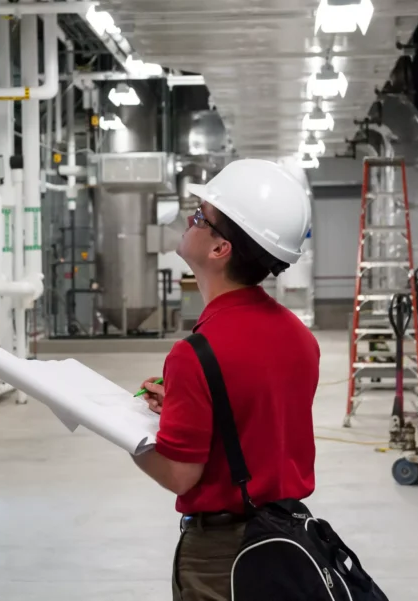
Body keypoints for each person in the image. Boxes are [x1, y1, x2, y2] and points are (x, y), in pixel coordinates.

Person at [132, 158, 320, 601]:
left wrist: (125, 435)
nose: (190, 221)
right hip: (288, 539)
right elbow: (256, 419)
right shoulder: (299, 337)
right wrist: (185, 407)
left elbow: (180, 475)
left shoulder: (196, 352)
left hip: (222, 557)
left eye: (200, 216)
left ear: (221, 249)